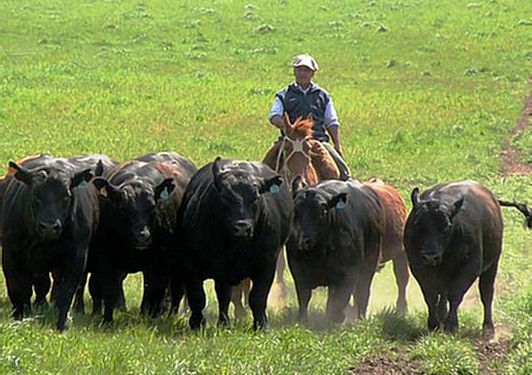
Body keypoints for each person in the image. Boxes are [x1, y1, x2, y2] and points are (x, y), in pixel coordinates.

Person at [265, 54, 350, 180]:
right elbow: (274, 115)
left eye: (307, 70)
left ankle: (344, 191)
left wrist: (337, 145)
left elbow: (331, 121)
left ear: (313, 73)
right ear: (294, 72)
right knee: (265, 170)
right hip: (289, 140)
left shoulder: (322, 95)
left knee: (340, 170)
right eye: (300, 70)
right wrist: (286, 126)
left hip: (316, 140)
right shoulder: (284, 94)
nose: (303, 73)